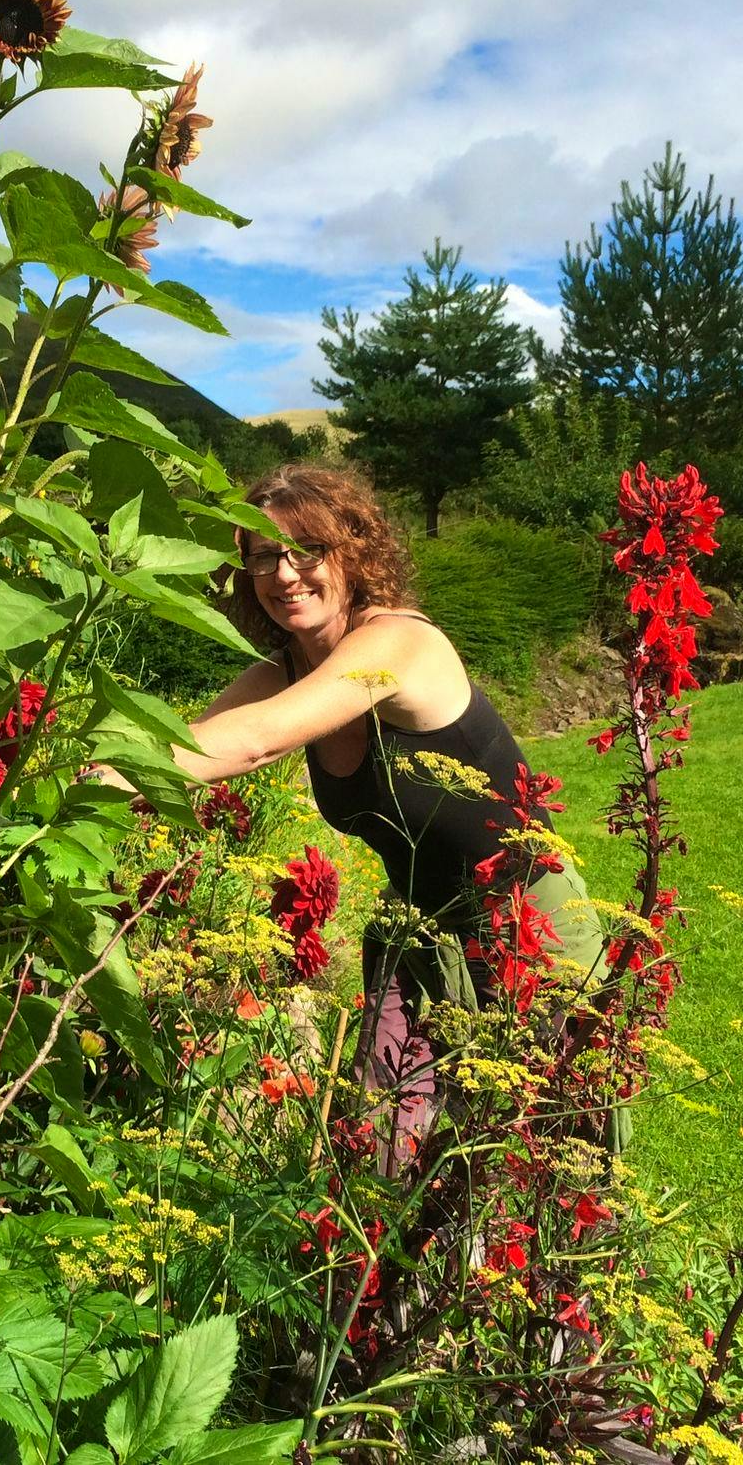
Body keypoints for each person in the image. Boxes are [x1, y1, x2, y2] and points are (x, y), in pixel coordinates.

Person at [163, 462, 608, 1173]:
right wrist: (44, 772)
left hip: (526, 931)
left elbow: (256, 739)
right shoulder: (284, 672)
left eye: (307, 549)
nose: (285, 575)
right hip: (419, 934)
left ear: (354, 550)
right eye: (262, 557)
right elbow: (180, 744)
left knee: (522, 1171)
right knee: (384, 1153)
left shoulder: (400, 644)